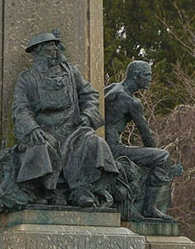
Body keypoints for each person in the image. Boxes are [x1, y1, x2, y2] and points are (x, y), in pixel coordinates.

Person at [11, 31, 118, 207]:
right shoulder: (27, 79)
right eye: (49, 47)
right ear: (37, 52)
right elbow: (21, 108)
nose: (54, 50)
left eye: (55, 46)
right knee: (40, 147)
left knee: (93, 142)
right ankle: (47, 191)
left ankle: (81, 189)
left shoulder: (71, 72)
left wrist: (88, 115)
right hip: (44, 130)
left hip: (73, 128)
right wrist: (32, 128)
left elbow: (89, 95)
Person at [104, 60, 175, 220]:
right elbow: (145, 134)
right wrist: (155, 156)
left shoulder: (112, 88)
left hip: (103, 144)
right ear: (136, 76)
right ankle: (149, 208)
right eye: (147, 75)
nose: (150, 79)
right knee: (162, 156)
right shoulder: (132, 101)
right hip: (113, 148)